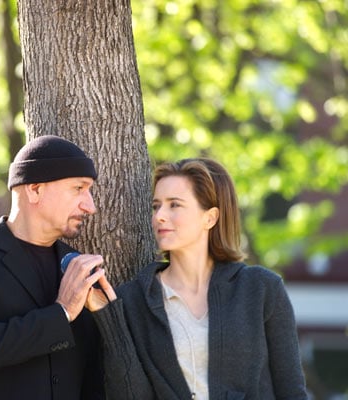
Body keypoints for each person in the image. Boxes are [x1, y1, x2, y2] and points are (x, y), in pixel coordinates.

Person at [86, 157, 308, 399]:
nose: (160, 215)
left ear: (210, 218)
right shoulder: (133, 299)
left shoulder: (262, 289)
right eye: (156, 206)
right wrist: (107, 317)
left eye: (175, 205)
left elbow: (292, 390)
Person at [0, 135, 106, 400]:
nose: (90, 205)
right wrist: (62, 312)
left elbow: (92, 375)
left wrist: (110, 316)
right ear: (35, 189)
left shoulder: (76, 265)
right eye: (78, 188)